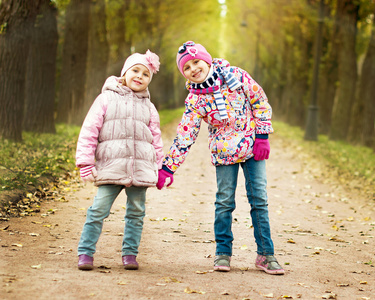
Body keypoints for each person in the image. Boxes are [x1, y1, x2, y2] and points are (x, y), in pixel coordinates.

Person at [157, 41, 284, 275]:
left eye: (196, 62)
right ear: (183, 73)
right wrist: (168, 167)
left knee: (259, 200)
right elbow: (186, 134)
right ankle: (223, 252)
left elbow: (259, 101)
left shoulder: (236, 76)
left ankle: (266, 254)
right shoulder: (195, 100)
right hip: (224, 153)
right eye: (187, 67)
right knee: (224, 202)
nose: (193, 68)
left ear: (206, 60)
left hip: (252, 146)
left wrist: (263, 135)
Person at [75, 49, 163, 271]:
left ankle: (130, 254)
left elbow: (156, 140)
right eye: (135, 70)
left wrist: (159, 169)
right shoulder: (106, 99)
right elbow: (89, 131)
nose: (139, 76)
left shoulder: (149, 108)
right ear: (124, 72)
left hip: (140, 170)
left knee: (136, 212)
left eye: (145, 74)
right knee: (98, 210)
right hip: (111, 167)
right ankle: (86, 252)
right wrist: (86, 163)